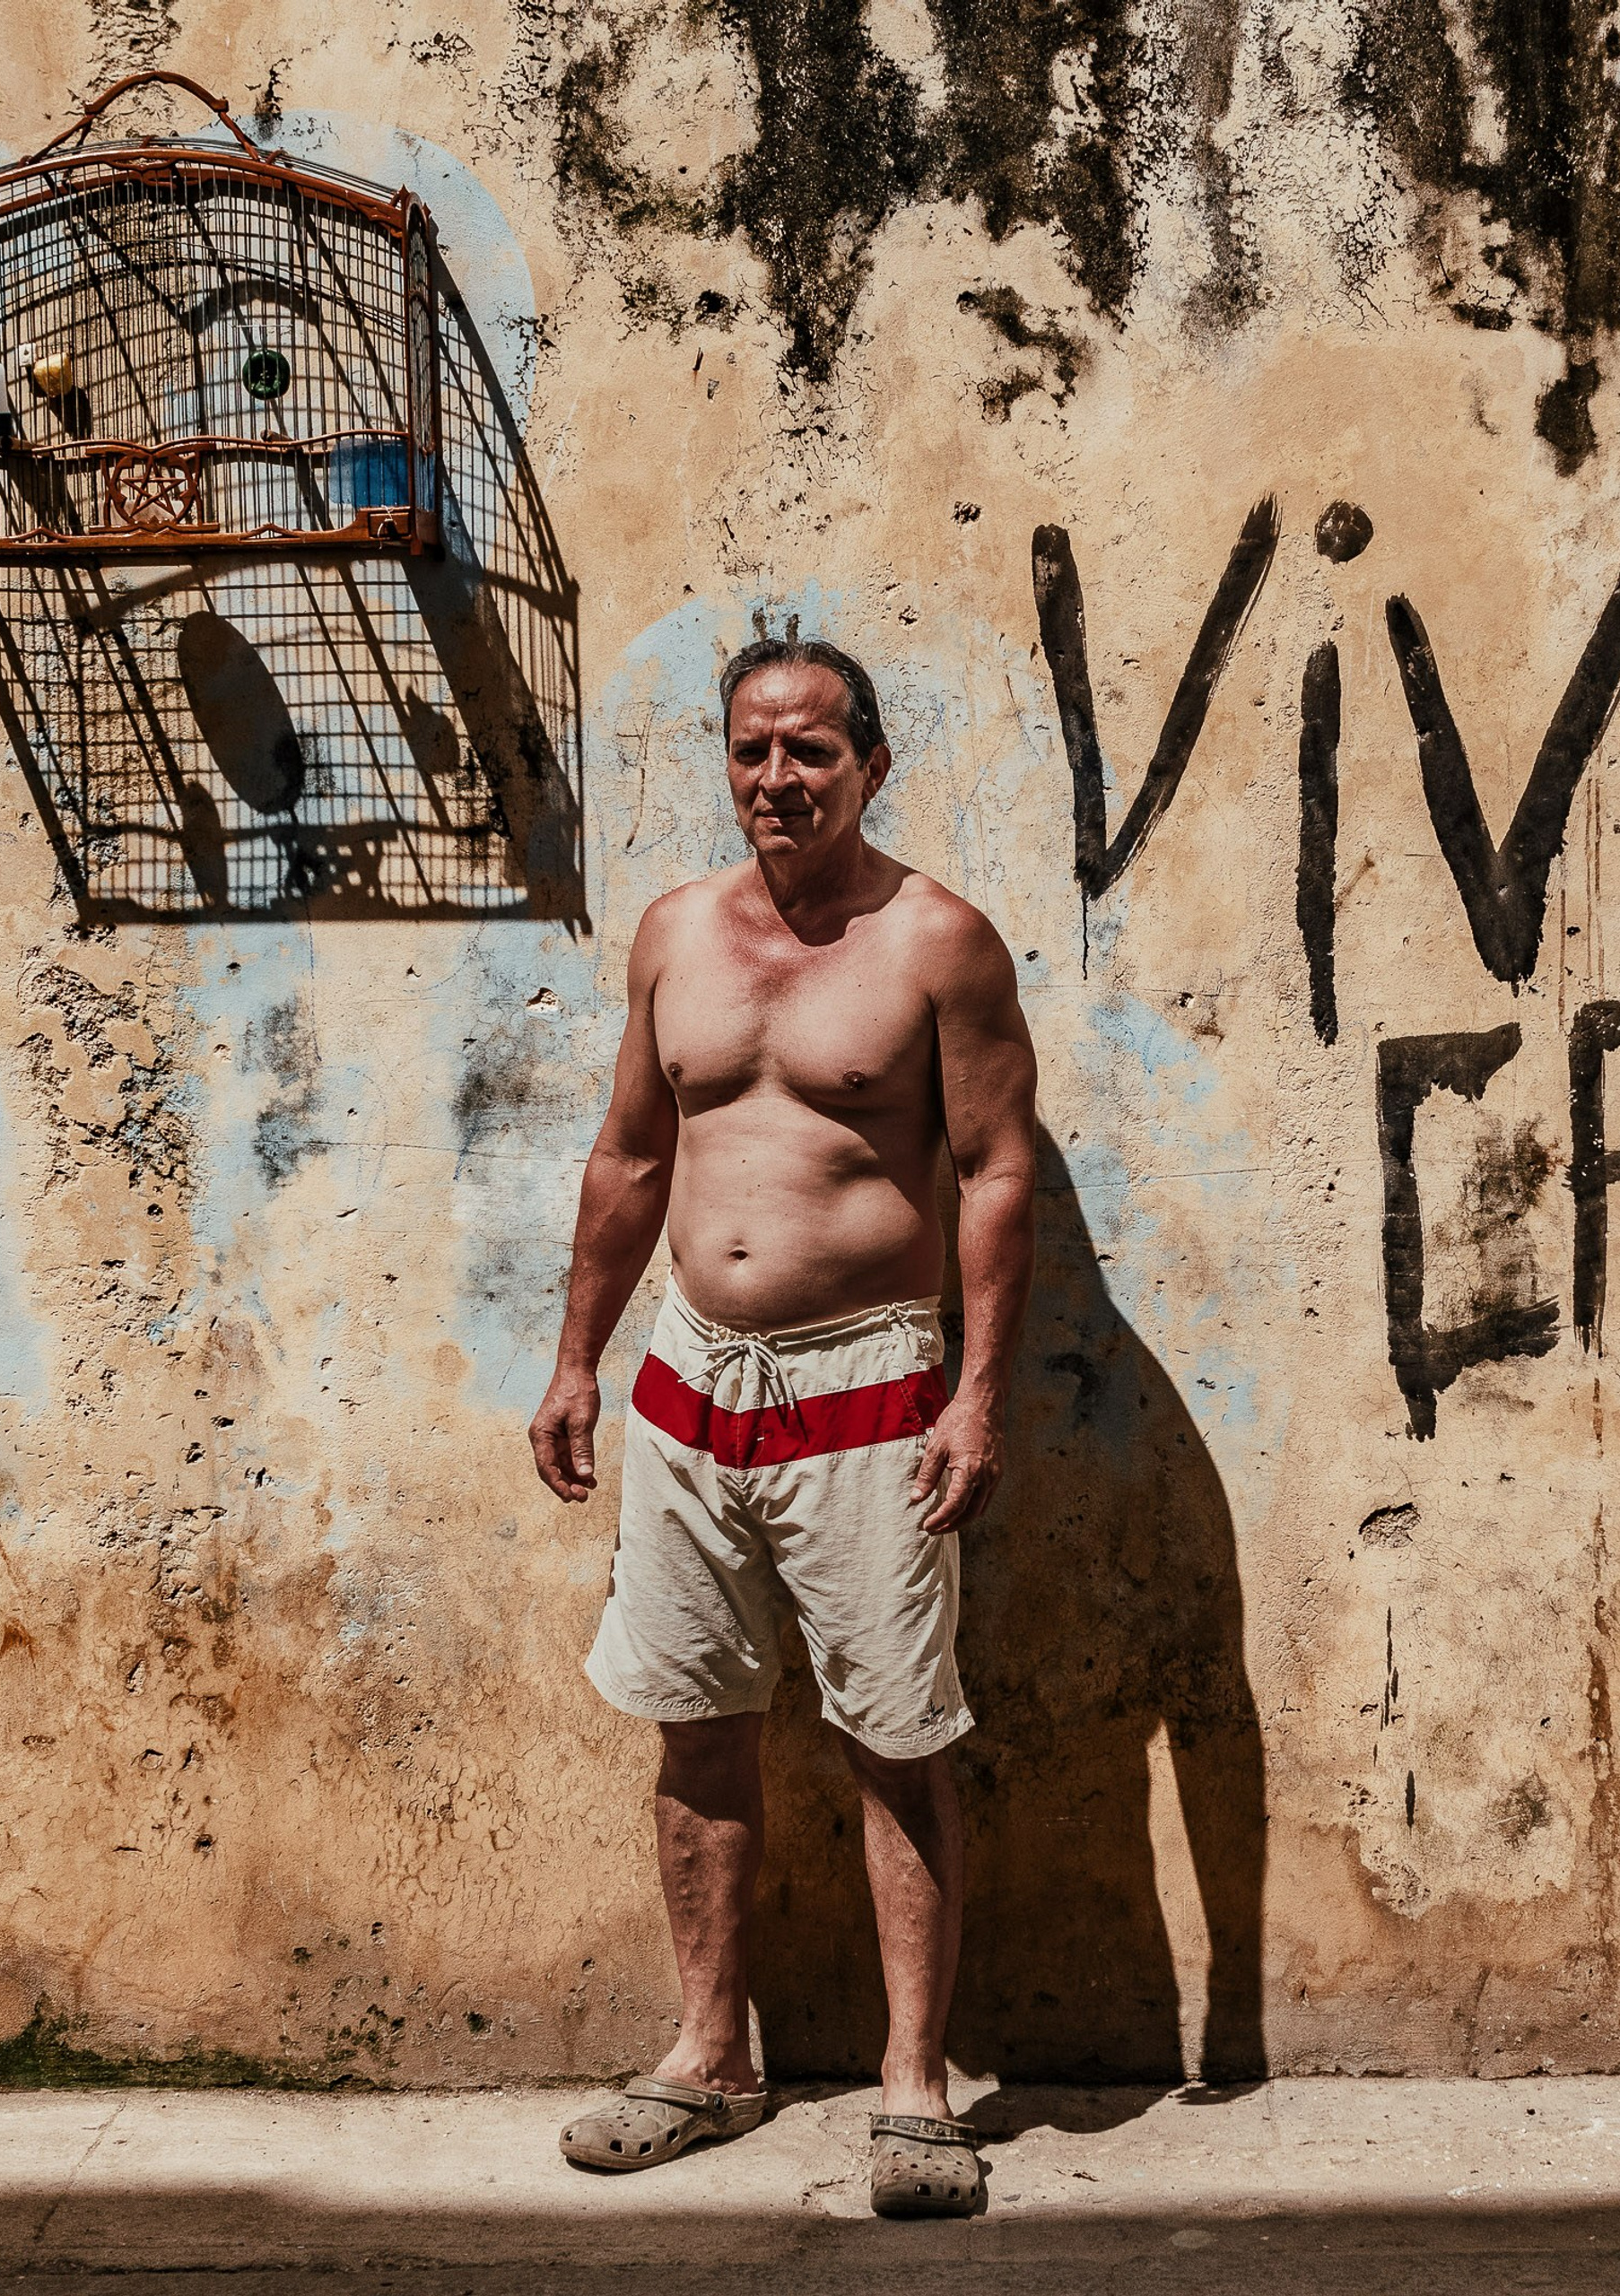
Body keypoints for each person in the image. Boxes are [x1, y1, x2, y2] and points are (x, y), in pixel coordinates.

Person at [527, 637, 1037, 2217]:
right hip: (691, 1380)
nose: (778, 779)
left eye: (812, 751)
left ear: (871, 764)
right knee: (698, 1719)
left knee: (897, 1734)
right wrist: (573, 1362)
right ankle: (711, 2057)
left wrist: (978, 1393)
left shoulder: (940, 943)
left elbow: (1000, 1170)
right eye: (753, 751)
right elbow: (627, 1156)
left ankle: (912, 2089)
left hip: (868, 1381)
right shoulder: (679, 931)